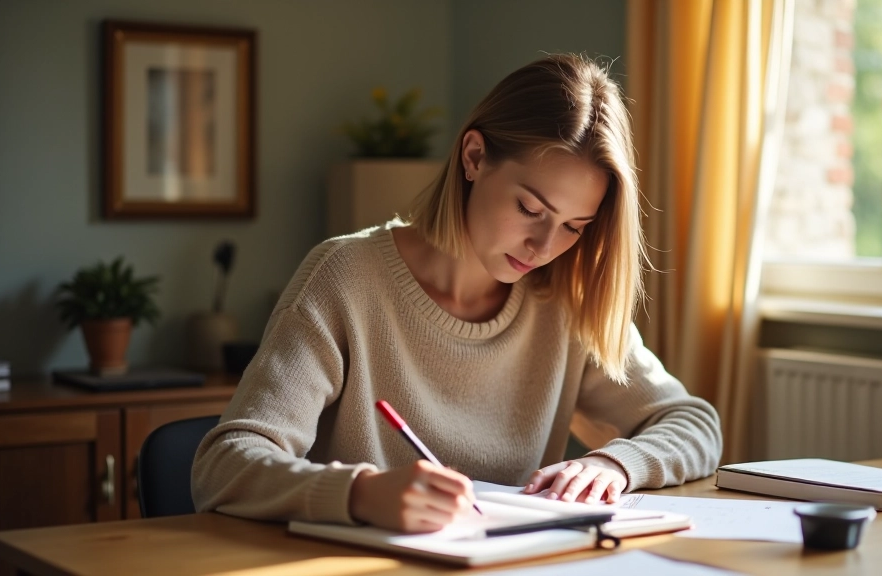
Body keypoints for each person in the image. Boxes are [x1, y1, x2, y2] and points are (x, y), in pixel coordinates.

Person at [192, 53, 722, 533]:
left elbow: (694, 423)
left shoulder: (563, 301)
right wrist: (360, 494)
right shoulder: (346, 277)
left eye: (574, 226)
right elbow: (225, 465)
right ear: (473, 157)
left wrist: (614, 463)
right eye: (530, 210)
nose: (543, 245)